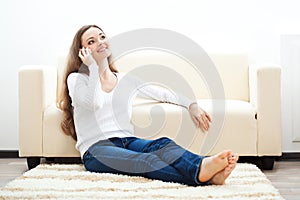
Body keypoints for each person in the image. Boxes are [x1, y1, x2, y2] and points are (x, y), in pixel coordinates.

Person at [59, 24, 239, 186]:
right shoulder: (77, 79)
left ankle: (202, 168)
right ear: (82, 52)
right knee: (144, 161)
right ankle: (203, 175)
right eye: (92, 41)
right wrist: (91, 68)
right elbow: (94, 103)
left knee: (163, 144)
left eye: (102, 37)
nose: (100, 42)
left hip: (126, 140)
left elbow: (161, 93)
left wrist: (191, 104)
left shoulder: (124, 80)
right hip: (96, 149)